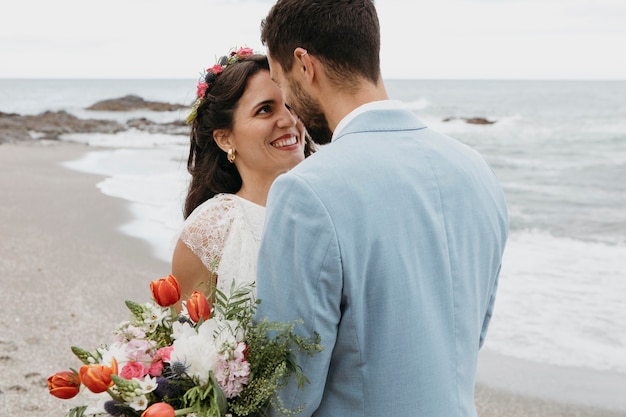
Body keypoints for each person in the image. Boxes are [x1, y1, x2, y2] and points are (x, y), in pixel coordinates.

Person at [255, 1, 509, 416]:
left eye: (280, 81)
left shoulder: (306, 191)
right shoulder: (477, 170)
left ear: (304, 65)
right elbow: (468, 336)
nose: (287, 102)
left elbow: (286, 392)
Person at [171, 48, 314, 310]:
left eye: (291, 105)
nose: (288, 119)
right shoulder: (209, 232)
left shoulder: (331, 207)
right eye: (265, 110)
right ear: (225, 138)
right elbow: (187, 343)